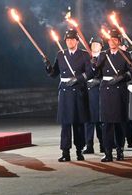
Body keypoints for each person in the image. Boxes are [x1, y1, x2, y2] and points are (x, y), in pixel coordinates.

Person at [43, 29, 94, 162]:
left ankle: (79, 150)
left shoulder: (84, 55)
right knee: (65, 124)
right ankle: (65, 152)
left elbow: (89, 73)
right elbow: (54, 74)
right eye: (67, 40)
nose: (69, 42)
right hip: (65, 92)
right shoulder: (61, 54)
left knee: (78, 124)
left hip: (78, 92)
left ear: (77, 41)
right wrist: (48, 67)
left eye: (72, 39)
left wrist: (77, 79)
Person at [95, 29, 132, 162]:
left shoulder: (125, 55)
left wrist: (122, 77)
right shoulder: (103, 55)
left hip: (120, 91)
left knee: (119, 123)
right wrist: (94, 67)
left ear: (119, 42)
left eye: (115, 40)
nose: (112, 42)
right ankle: (108, 152)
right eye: (110, 40)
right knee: (106, 124)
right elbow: (97, 74)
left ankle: (120, 150)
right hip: (106, 91)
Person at [83, 36, 104, 154]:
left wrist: (98, 81)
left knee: (100, 120)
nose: (94, 46)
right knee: (88, 120)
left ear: (101, 46)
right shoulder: (86, 58)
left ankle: (103, 144)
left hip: (100, 93)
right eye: (93, 44)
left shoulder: (104, 57)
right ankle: (89, 145)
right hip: (88, 92)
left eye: (97, 44)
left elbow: (107, 74)